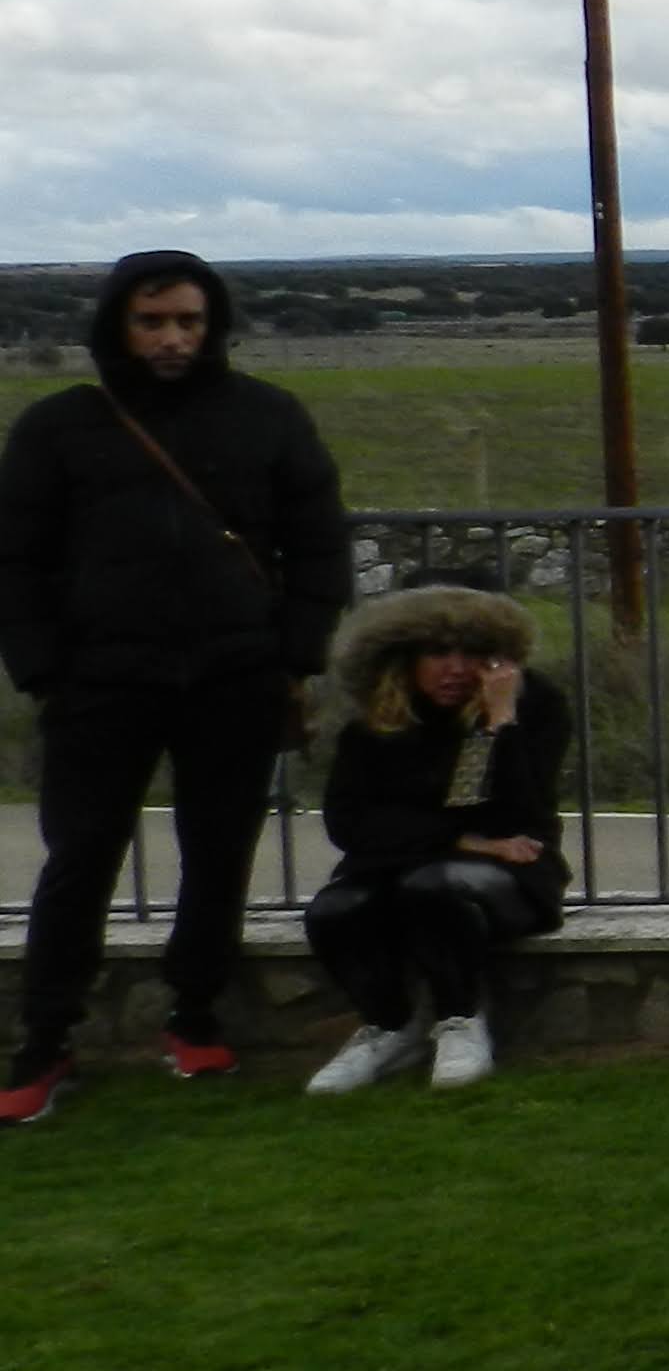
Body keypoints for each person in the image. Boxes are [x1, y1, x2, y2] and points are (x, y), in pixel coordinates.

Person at [0, 250, 348, 1124]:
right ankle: (45, 1042)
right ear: (119, 325)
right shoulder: (58, 427)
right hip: (99, 681)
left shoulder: (268, 417)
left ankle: (195, 1018)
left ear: (213, 325)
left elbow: (317, 546)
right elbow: (17, 561)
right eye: (152, 322)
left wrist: (292, 657)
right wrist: (44, 668)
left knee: (217, 854)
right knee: (79, 863)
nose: (171, 339)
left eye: (188, 321)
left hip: (235, 676)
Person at [303, 579, 574, 1095]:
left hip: (509, 873)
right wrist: (465, 841)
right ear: (403, 657)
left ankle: (461, 1019)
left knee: (435, 888)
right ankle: (388, 1026)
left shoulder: (532, 706)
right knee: (334, 913)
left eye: (473, 653)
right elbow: (352, 825)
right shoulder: (374, 727)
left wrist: (498, 725)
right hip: (394, 865)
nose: (455, 668)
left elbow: (519, 813)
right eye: (437, 652)